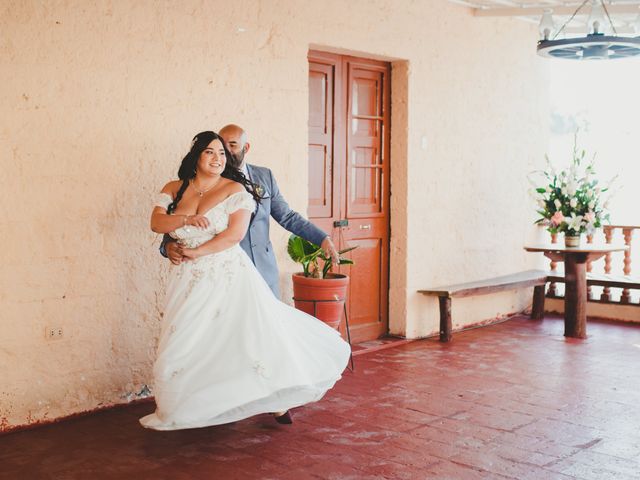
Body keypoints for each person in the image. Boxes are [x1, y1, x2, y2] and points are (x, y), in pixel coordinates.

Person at [140, 131, 351, 430]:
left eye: (227, 149)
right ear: (197, 155)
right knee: (199, 341)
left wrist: (322, 238)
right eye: (212, 151)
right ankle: (209, 403)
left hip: (240, 272)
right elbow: (165, 228)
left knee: (258, 337)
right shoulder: (178, 188)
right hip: (191, 277)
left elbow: (284, 218)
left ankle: (277, 400)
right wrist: (172, 246)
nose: (221, 155)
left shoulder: (253, 181)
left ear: (243, 148)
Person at [163, 124, 338, 299]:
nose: (225, 152)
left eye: (232, 145)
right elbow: (180, 214)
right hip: (223, 274)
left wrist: (322, 238)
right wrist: (168, 245)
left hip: (263, 270)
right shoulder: (207, 181)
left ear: (246, 148)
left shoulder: (265, 176)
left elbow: (287, 216)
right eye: (222, 146)